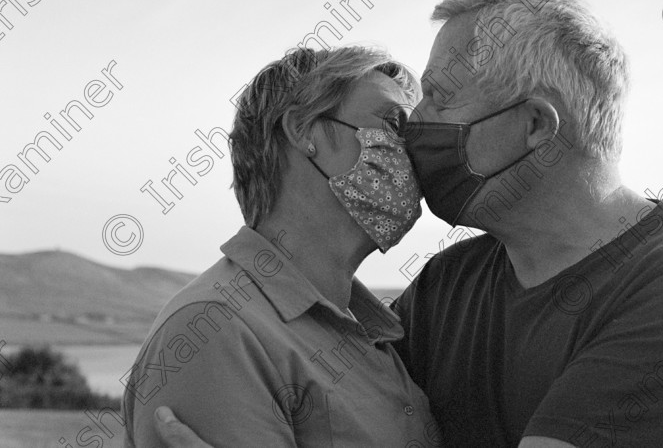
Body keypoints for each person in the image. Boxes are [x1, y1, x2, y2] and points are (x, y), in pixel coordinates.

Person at [153, 0, 663, 448]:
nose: (414, 132)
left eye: (439, 100)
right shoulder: (444, 289)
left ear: (533, 124)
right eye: (400, 115)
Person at [122, 46, 440, 447]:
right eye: (393, 124)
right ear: (303, 131)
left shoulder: (375, 331)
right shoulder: (217, 331)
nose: (410, 149)